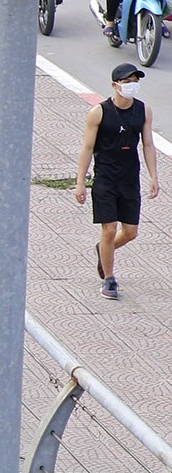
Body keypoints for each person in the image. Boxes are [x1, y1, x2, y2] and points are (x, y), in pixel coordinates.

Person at [77, 62, 160, 300]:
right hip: (105, 179)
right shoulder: (99, 112)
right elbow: (87, 147)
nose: (132, 85)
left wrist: (154, 176)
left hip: (130, 178)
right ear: (115, 85)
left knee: (131, 232)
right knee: (109, 229)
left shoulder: (143, 110)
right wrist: (80, 181)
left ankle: (105, 250)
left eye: (135, 81)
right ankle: (109, 280)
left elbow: (147, 144)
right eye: (127, 82)